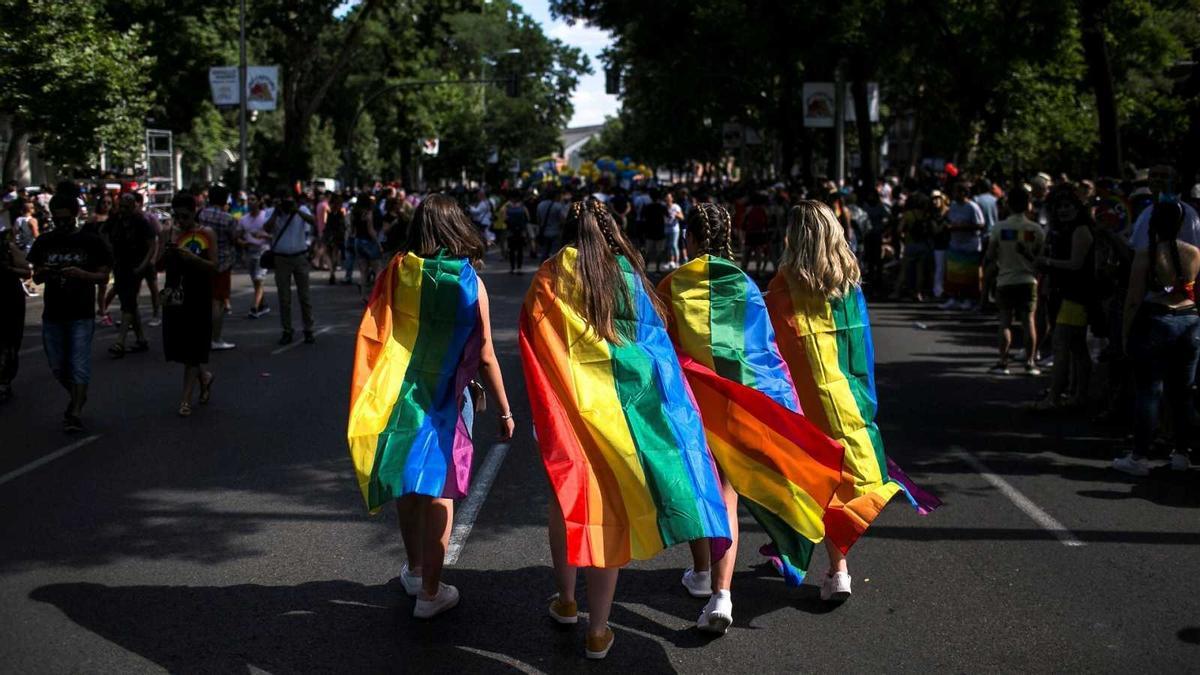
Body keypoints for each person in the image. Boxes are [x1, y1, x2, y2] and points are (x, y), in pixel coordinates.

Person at [519, 200, 731, 659]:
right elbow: (656, 353)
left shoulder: (549, 278)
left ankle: (567, 601)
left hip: (568, 415)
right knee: (609, 513)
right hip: (623, 418)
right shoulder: (629, 278)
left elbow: (535, 345)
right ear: (614, 232)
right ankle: (598, 629)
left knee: (568, 502)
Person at [659, 203, 844, 635]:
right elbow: (764, 353)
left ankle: (709, 582)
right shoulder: (743, 283)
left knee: (704, 491)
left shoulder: (673, 283)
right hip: (742, 407)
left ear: (689, 238)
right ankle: (717, 590)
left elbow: (660, 347)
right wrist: (784, 408)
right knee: (727, 495)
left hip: (697, 407)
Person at [348, 193, 515, 620]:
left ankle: (415, 569)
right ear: (456, 226)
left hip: (400, 393)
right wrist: (505, 410)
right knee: (442, 487)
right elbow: (487, 355)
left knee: (407, 480)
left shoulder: (397, 272)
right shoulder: (468, 281)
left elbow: (377, 330)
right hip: (448, 395)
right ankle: (431, 591)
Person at [765, 200, 939, 603]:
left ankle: (825, 563)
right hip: (847, 400)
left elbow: (770, 349)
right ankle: (835, 569)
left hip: (802, 404)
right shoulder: (848, 284)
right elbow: (860, 348)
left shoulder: (783, 285)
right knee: (840, 485)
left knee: (802, 482)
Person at [1114, 201, 1199, 475]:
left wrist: (1126, 333)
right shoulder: (1195, 253)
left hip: (1155, 319)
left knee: (1149, 392)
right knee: (1182, 393)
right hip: (1189, 320)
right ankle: (1182, 454)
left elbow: (1134, 298)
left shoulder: (1146, 254)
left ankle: (1139, 456)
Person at [27, 182, 113, 432]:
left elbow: (103, 277)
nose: (61, 224)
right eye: (57, 219)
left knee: (79, 362)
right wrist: (44, 272)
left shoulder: (90, 241)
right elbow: (37, 276)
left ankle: (74, 410)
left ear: (75, 217)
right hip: (53, 313)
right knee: (57, 364)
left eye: (66, 219)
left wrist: (80, 274)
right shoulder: (45, 241)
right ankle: (77, 394)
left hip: (80, 313)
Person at [1035, 188, 1096, 409]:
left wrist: (1048, 262)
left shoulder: (1080, 230)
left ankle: (1055, 397)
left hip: (1076, 296)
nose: (1063, 210)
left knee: (1062, 346)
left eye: (1068, 206)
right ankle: (1078, 395)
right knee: (1077, 347)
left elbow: (1076, 264)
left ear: (1078, 208)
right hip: (1064, 294)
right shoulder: (1060, 230)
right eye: (1059, 206)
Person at [161, 192, 217, 417]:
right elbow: (160, 264)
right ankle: (204, 377)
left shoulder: (206, 234)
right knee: (180, 348)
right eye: (177, 216)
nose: (181, 221)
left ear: (194, 213)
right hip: (176, 296)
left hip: (198, 296)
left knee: (194, 349)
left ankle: (185, 399)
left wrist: (192, 258)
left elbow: (213, 266)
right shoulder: (170, 233)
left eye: (185, 216)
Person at [985, 187, 1045, 375]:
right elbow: (1040, 257)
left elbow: (990, 254)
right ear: (1028, 204)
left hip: (1005, 280)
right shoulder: (1036, 229)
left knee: (1005, 322)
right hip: (1028, 280)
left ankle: (1003, 363)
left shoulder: (999, 228)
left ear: (1008, 204)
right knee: (1029, 321)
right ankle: (1030, 363)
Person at [106, 193, 156, 356]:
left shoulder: (141, 222)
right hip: (120, 266)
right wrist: (110, 253)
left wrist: (143, 265)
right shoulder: (116, 220)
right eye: (121, 206)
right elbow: (102, 232)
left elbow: (151, 245)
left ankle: (120, 341)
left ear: (134, 206)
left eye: (127, 206)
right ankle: (141, 339)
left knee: (128, 302)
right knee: (130, 303)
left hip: (135, 266)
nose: (123, 210)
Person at [265, 190, 316, 346]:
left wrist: (297, 211)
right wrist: (276, 213)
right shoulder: (272, 212)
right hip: (281, 258)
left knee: (305, 297)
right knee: (284, 298)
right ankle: (287, 330)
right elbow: (267, 228)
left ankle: (308, 329)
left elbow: (314, 222)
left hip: (300, 256)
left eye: (289, 201)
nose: (287, 205)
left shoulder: (302, 210)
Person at [198, 184, 238, 351]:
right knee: (218, 301)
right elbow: (234, 239)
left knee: (204, 300)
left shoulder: (201, 214)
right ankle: (216, 338)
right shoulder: (228, 218)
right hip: (222, 262)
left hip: (202, 259)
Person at [941, 182, 986, 310]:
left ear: (964, 193)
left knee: (969, 275)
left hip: (969, 245)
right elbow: (949, 219)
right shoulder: (953, 206)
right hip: (955, 243)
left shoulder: (972, 207)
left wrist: (961, 227)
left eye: (957, 192)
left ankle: (969, 299)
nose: (955, 194)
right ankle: (954, 298)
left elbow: (981, 225)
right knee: (954, 273)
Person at [0, 226, 30, 402]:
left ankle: (5, 380)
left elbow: (26, 272)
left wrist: (8, 269)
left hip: (9, 298)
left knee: (9, 341)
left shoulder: (8, 248)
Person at [239, 195, 272, 318]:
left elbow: (274, 235)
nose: (250, 202)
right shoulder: (243, 219)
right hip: (249, 252)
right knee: (256, 281)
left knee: (258, 279)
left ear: (259, 201)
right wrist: (242, 243)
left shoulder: (266, 216)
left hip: (263, 251)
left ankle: (254, 308)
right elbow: (237, 236)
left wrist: (264, 236)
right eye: (249, 200)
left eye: (253, 199)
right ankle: (263, 305)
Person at [349, 193, 382, 302]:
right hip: (369, 242)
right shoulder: (368, 212)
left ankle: (364, 295)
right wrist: (378, 243)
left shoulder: (354, 213)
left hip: (358, 241)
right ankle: (376, 295)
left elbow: (352, 230)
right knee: (377, 269)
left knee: (363, 271)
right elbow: (370, 230)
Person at [502, 191, 531, 274]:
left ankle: (512, 268)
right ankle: (519, 268)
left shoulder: (507, 207)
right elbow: (528, 218)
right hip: (521, 232)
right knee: (520, 250)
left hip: (510, 232)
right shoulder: (523, 207)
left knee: (511, 250)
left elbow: (503, 218)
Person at [323, 193, 347, 285]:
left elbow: (325, 221)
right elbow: (343, 223)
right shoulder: (341, 210)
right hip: (338, 233)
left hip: (329, 232)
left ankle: (331, 272)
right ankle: (333, 271)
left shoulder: (328, 209)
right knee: (335, 253)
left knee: (327, 253)